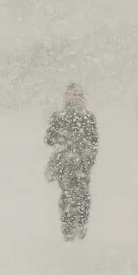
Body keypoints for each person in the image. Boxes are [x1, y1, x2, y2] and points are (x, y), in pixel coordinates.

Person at [46, 83, 100, 238]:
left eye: (78, 95)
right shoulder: (59, 117)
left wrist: (88, 158)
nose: (75, 98)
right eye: (71, 94)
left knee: (83, 195)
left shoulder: (88, 117)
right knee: (67, 194)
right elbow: (49, 139)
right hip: (64, 164)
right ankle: (68, 226)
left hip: (82, 164)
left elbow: (94, 141)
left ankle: (81, 224)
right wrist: (63, 142)